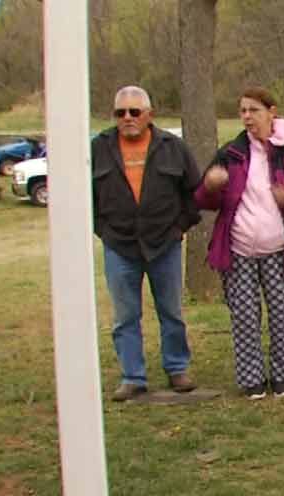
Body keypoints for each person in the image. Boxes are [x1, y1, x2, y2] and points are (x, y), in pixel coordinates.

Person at [194, 87, 284, 399]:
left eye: (254, 110)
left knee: (282, 315)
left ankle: (283, 379)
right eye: (243, 111)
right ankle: (251, 381)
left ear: (271, 112)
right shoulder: (231, 153)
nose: (247, 117)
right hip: (238, 250)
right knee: (243, 317)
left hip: (279, 249)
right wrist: (210, 187)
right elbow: (203, 199)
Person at [91, 86, 202, 402]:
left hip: (164, 244)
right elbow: (86, 197)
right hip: (119, 245)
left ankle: (177, 369)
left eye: (134, 112)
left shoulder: (173, 148)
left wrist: (178, 228)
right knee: (125, 316)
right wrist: (103, 230)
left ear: (149, 114)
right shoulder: (98, 149)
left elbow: (194, 194)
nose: (127, 118)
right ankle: (133, 377)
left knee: (171, 311)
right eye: (120, 112)